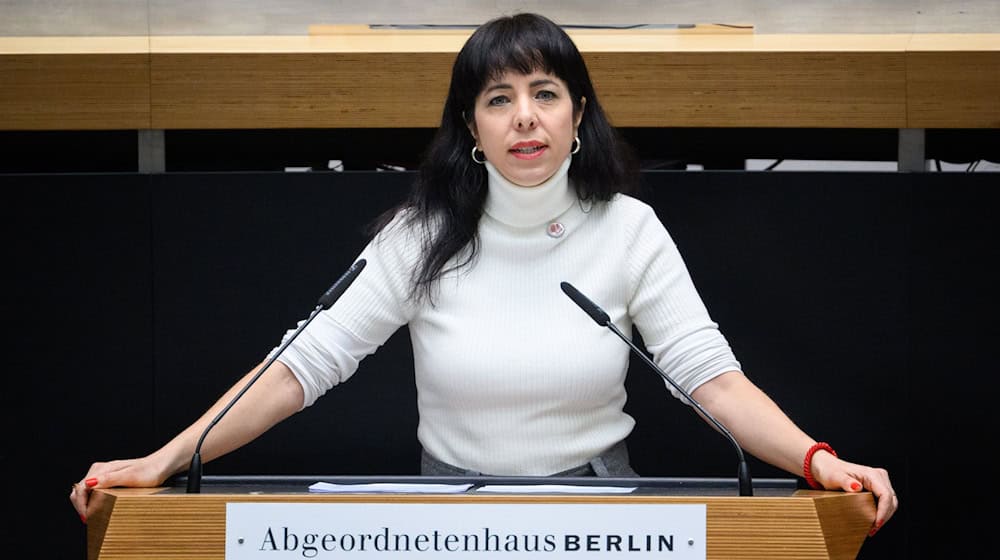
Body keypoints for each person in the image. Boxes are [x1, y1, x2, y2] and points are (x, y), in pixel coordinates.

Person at [70, 12, 897, 536]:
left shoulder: (629, 230)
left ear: (579, 115)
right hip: (449, 521)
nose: (525, 116)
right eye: (499, 99)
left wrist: (819, 461)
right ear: (471, 124)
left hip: (605, 522)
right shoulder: (421, 235)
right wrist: (164, 461)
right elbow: (299, 367)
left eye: (546, 92)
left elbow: (710, 380)